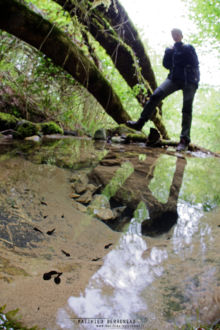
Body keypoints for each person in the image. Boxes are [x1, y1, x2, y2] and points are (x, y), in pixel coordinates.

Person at [126, 28, 200, 151]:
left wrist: (177, 50)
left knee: (186, 109)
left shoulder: (188, 48)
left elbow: (194, 62)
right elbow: (166, 65)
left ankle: (184, 140)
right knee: (156, 95)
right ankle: (140, 123)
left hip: (190, 80)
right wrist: (168, 52)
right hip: (174, 78)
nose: (175, 36)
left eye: (177, 34)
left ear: (181, 36)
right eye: (173, 35)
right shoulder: (170, 50)